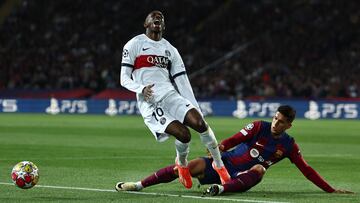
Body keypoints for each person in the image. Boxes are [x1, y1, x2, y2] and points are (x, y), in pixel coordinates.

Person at [115, 105, 353, 195]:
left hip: (242, 176)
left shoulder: (289, 145)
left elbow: (307, 170)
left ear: (289, 125)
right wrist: (218, 148)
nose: (275, 123)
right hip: (224, 163)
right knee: (188, 166)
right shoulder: (259, 126)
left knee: (260, 168)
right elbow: (234, 138)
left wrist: (330, 190)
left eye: (281, 122)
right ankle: (139, 185)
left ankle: (220, 190)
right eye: (275, 118)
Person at [119, 10, 230, 189]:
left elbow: (182, 82)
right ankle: (183, 164)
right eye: (153, 16)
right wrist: (140, 88)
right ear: (146, 23)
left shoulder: (170, 50)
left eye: (161, 18)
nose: (157, 18)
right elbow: (124, 78)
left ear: (163, 26)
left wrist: (196, 109)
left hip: (170, 95)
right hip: (151, 102)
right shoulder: (134, 44)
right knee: (184, 135)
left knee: (201, 124)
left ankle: (219, 166)